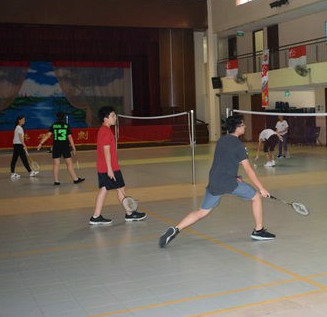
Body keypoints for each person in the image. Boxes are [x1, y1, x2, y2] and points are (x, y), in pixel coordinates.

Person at [159, 115, 275, 248]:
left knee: (202, 211)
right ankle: (258, 230)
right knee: (256, 197)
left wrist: (234, 175)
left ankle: (176, 229)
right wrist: (261, 188)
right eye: (243, 125)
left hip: (215, 180)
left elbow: (225, 160)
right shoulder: (239, 146)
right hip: (228, 182)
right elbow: (248, 170)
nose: (245, 126)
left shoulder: (221, 140)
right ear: (237, 128)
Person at [89, 106, 146, 225]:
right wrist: (110, 169)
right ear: (105, 118)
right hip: (110, 167)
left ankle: (96, 216)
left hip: (103, 167)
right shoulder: (106, 132)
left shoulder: (103, 130)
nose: (115, 118)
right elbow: (106, 151)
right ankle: (129, 214)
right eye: (113, 116)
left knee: (104, 189)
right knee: (121, 188)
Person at [37, 111, 85, 186]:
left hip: (56, 146)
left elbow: (48, 135)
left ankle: (56, 181)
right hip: (65, 146)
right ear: (64, 117)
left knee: (56, 164)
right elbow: (70, 137)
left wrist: (41, 143)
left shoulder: (54, 125)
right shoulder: (66, 125)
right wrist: (73, 147)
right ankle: (75, 179)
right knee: (69, 164)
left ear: (57, 117)